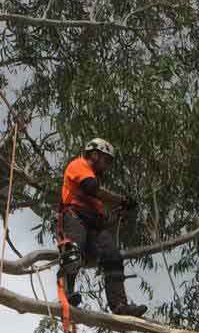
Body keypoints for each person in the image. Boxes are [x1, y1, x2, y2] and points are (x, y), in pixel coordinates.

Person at [58, 136, 147, 318]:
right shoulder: (79, 165)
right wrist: (121, 199)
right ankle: (66, 293)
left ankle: (120, 305)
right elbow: (91, 188)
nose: (106, 165)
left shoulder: (97, 198)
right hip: (74, 217)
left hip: (93, 226)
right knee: (74, 250)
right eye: (105, 160)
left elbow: (102, 219)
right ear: (95, 155)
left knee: (113, 256)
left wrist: (119, 214)